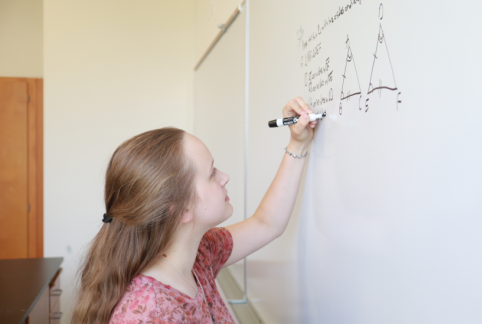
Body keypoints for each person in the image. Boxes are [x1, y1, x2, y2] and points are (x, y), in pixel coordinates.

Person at [71, 97, 317, 323]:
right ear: (181, 210)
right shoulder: (148, 312)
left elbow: (266, 223)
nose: (224, 177)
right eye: (211, 173)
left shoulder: (200, 254)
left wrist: (298, 142)